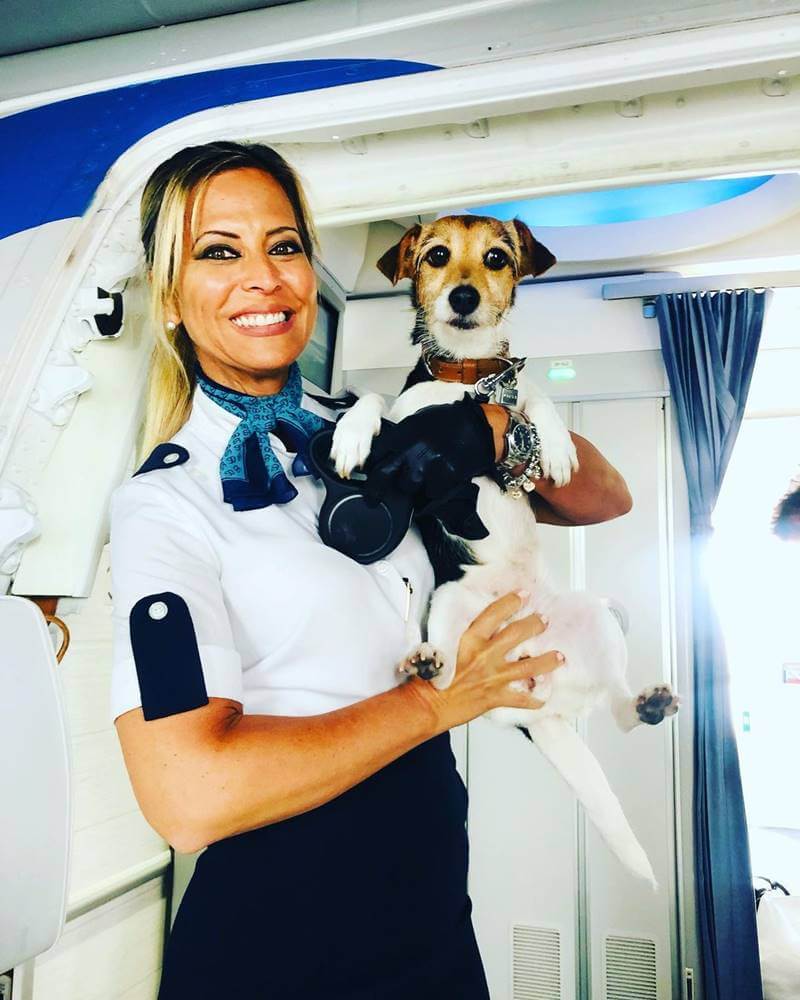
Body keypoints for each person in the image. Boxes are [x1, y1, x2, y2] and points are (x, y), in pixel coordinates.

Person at [110, 140, 632, 999]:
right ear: (171, 299)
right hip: (281, 931)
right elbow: (187, 795)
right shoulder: (165, 505)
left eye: (284, 247)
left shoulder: (371, 423)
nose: (263, 277)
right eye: (218, 251)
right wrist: (433, 702)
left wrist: (493, 431)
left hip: (428, 898)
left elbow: (605, 498)